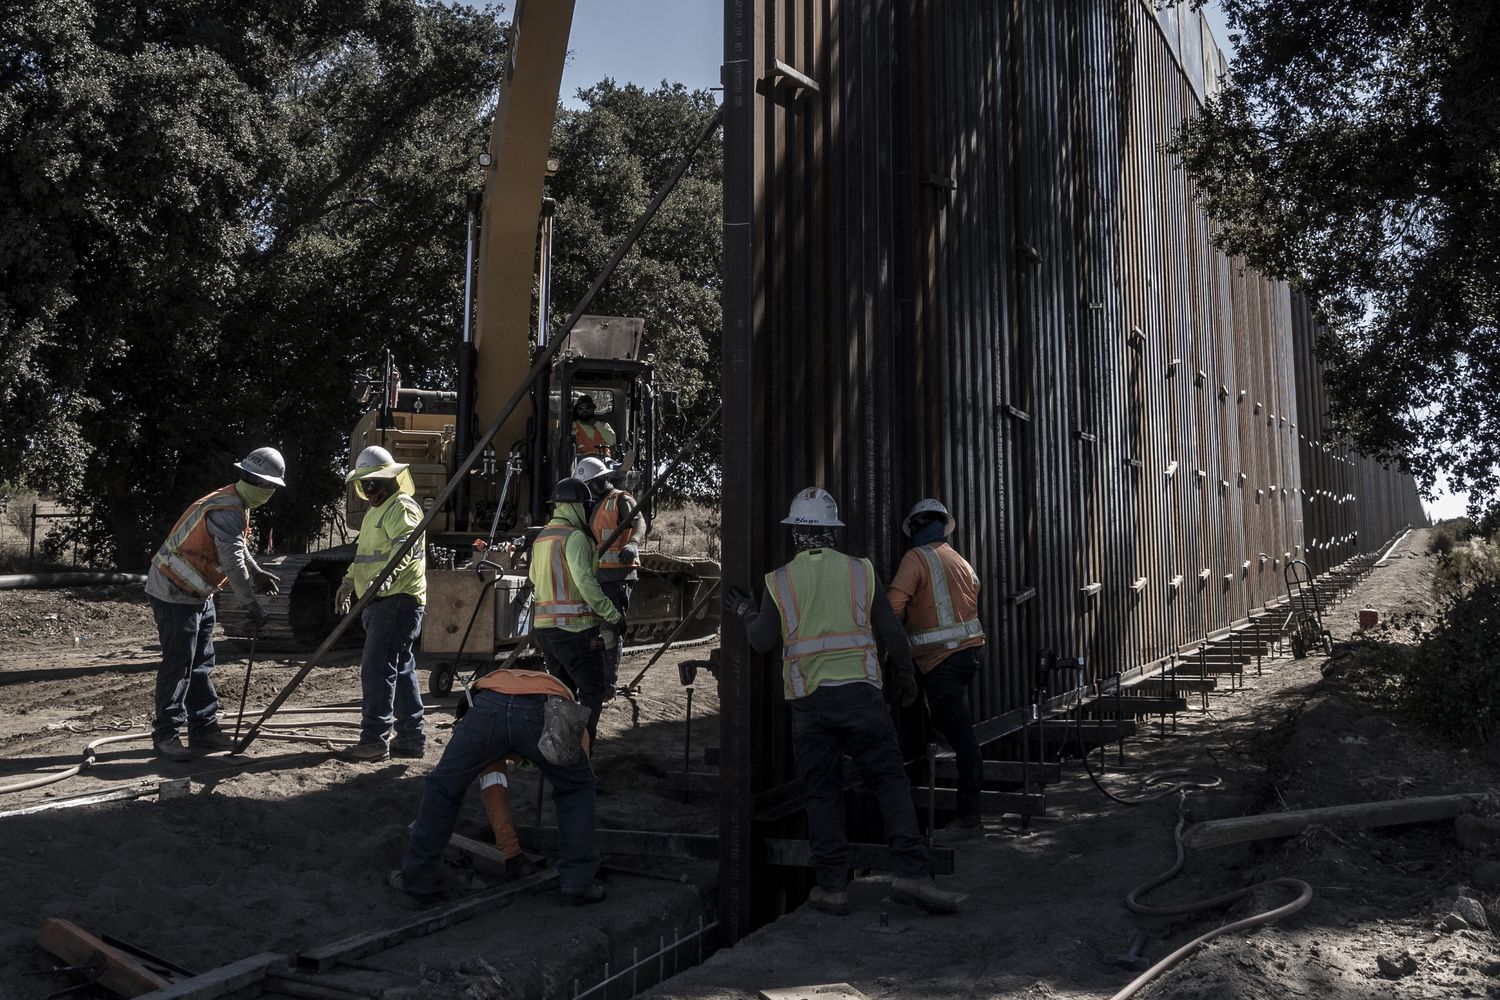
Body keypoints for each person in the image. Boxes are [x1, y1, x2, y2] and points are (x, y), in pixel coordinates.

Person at [722, 487, 964, 916]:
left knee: (822, 792)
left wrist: (744, 613)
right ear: (832, 533)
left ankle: (832, 887)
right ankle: (911, 873)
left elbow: (761, 641)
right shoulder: (860, 572)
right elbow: (891, 632)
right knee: (890, 782)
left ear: (796, 532)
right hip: (862, 697)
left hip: (810, 703)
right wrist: (906, 679)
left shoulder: (779, 582)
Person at [393, 666, 603, 906]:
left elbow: (493, 783)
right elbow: (578, 781)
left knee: (442, 788)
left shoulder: (488, 731)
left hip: (488, 705)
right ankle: (578, 883)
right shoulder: (567, 718)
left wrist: (511, 852)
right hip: (541, 708)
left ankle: (417, 882)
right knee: (576, 789)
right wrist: (511, 851)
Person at [145, 447, 285, 761]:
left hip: (197, 592)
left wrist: (258, 570)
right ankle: (166, 734)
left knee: (201, 662)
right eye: (269, 485)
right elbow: (232, 563)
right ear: (254, 481)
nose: (270, 491)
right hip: (174, 589)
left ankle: (203, 729)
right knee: (179, 664)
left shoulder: (236, 501)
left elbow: (237, 546)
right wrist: (251, 604)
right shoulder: (228, 507)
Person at [888, 498, 986, 843]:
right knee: (951, 728)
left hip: (942, 661)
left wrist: (890, 644)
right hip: (966, 657)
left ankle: (970, 821)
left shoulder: (916, 558)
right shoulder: (960, 561)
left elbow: (892, 608)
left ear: (914, 528)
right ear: (943, 526)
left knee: (962, 739)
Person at [335, 446, 427, 762]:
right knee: (399, 668)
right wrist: (349, 581)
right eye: (365, 484)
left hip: (396, 600)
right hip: (380, 601)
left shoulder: (401, 506)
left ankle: (374, 740)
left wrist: (385, 578)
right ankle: (412, 737)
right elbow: (364, 556)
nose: (369, 490)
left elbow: (406, 549)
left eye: (373, 483)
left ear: (388, 480)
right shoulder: (376, 511)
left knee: (377, 670)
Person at [528, 478, 623, 742]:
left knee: (562, 691)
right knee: (593, 690)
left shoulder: (542, 537)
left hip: (546, 631)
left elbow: (535, 579)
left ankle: (558, 744)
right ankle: (582, 746)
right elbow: (586, 583)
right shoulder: (576, 537)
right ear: (578, 506)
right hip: (575, 629)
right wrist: (613, 615)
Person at [575, 456, 647, 689]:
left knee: (610, 631)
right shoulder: (591, 503)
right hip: (596, 575)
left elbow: (639, 523)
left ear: (601, 479)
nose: (587, 489)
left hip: (617, 576)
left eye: (589, 484)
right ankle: (595, 682)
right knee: (594, 631)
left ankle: (608, 686)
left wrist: (633, 543)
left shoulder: (620, 499)